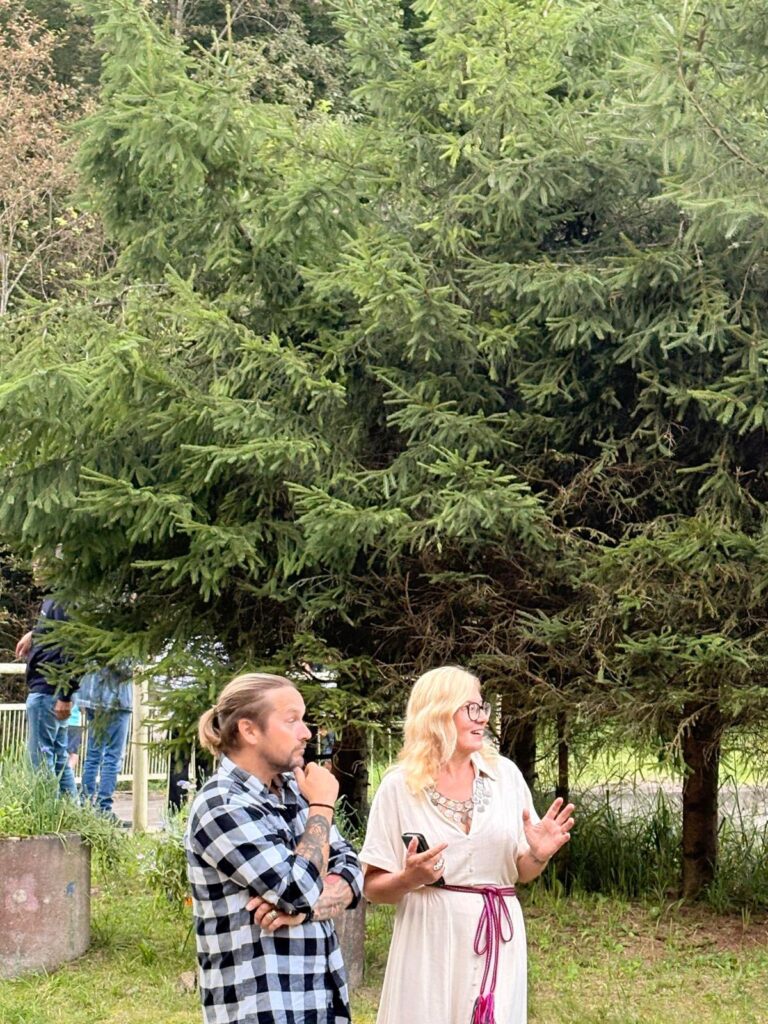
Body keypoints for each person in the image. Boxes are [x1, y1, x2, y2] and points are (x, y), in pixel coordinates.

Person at [360, 666, 575, 1024]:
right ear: (438, 713)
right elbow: (372, 887)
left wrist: (538, 854)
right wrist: (409, 879)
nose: (483, 718)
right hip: (428, 938)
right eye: (471, 708)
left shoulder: (505, 776)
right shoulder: (399, 787)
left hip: (497, 935)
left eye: (483, 708)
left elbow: (522, 873)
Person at [185, 672, 363, 1024]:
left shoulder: (297, 792)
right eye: (292, 720)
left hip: (319, 1003)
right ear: (249, 730)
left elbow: (353, 872)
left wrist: (304, 912)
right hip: (261, 1009)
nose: (306, 732)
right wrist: (323, 805)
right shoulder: (221, 805)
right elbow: (295, 890)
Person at [16, 598, 79, 798]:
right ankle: (71, 811)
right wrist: (34, 633)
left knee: (41, 760)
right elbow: (55, 631)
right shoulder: (53, 598)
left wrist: (65, 695)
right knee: (59, 758)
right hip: (47, 691)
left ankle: (46, 811)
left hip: (48, 691)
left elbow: (72, 646)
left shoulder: (65, 599)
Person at [78, 663, 133, 816]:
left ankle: (85, 804)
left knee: (93, 755)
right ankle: (103, 808)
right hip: (116, 699)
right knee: (112, 757)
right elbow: (127, 667)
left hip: (91, 697)